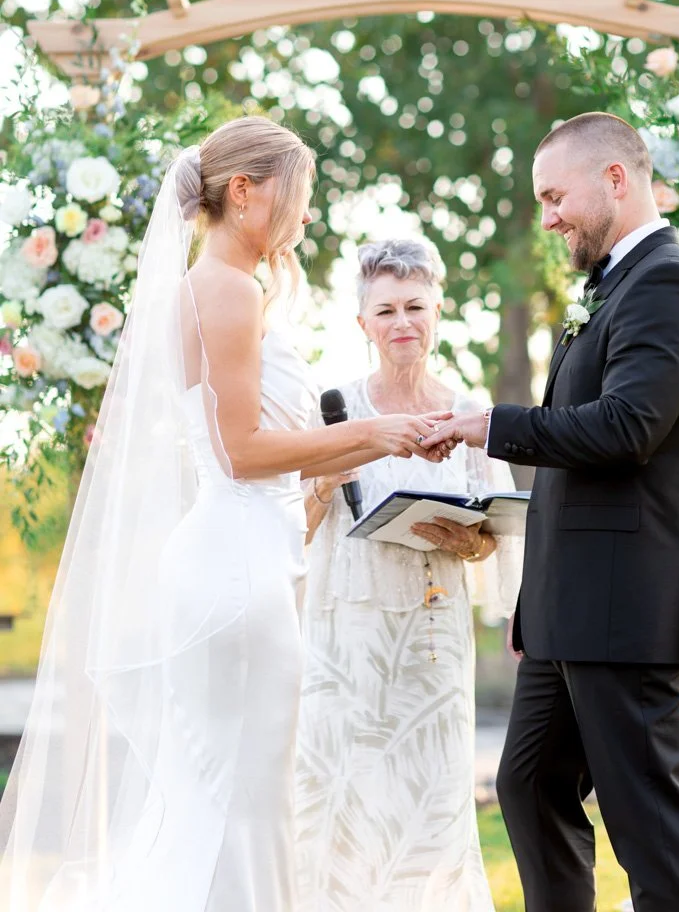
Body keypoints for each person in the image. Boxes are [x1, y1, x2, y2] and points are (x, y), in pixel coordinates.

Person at [0, 117, 447, 912]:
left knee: (221, 800)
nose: (306, 217)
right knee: (241, 805)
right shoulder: (228, 289)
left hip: (240, 555)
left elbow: (268, 449)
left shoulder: (219, 287)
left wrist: (392, 444)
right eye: (298, 197)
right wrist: (374, 430)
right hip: (236, 569)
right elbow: (242, 451)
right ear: (245, 193)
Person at [423, 112, 679, 912]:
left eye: (556, 195)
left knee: (652, 828)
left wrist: (491, 423)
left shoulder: (669, 283)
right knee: (527, 787)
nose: (549, 215)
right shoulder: (615, 287)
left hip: (626, 604)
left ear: (616, 180)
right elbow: (575, 462)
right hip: (569, 609)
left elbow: (628, 429)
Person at [295, 238, 523, 912]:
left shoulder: (469, 412)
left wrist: (470, 542)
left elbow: (493, 539)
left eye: (415, 306)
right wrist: (325, 480)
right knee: (342, 813)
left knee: (430, 812)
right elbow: (296, 531)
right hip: (345, 641)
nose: (403, 322)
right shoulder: (331, 408)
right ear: (361, 323)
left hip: (431, 640)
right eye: (386, 309)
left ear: (439, 310)